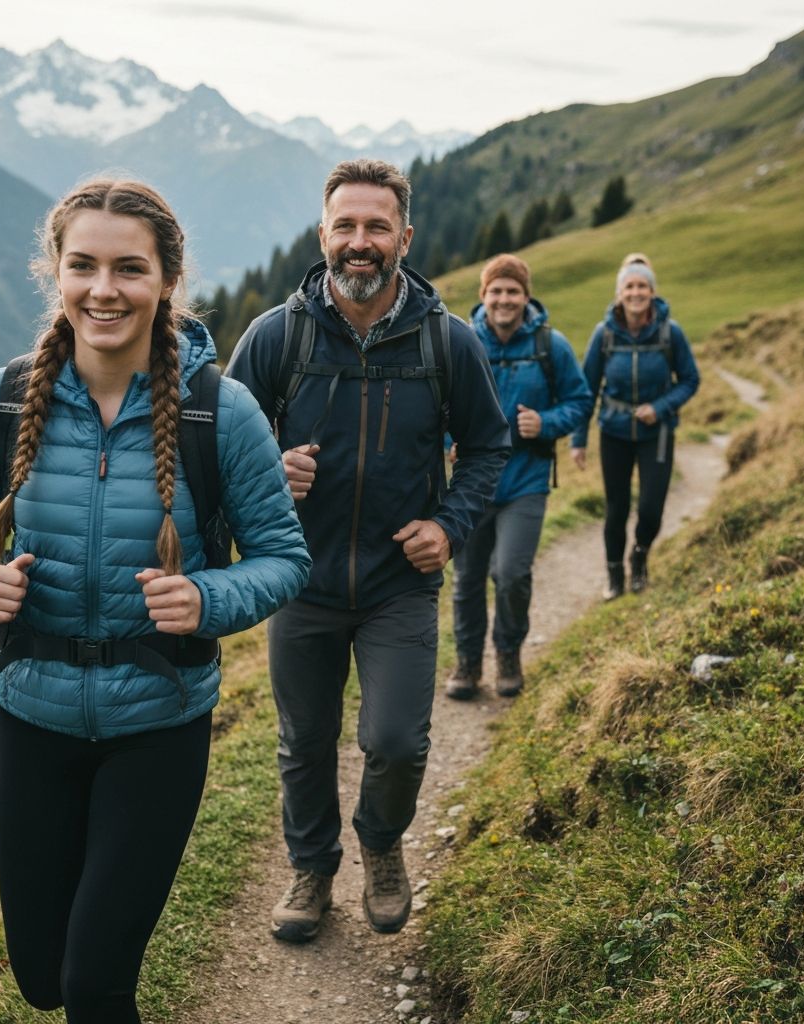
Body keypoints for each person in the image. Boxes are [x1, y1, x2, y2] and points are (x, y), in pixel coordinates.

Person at [0, 179, 311, 1023]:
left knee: (94, 985)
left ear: (167, 279)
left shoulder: (221, 412)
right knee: (39, 978)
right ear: (54, 274)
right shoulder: (1, 400)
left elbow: (284, 559)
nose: (105, 290)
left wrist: (206, 599)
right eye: (84, 266)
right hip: (30, 717)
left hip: (159, 726)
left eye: (129, 268)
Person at [226, 158, 509, 943]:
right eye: (345, 226)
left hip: (398, 586)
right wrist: (266, 471)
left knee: (395, 740)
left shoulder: (446, 343)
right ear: (323, 235)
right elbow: (219, 447)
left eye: (376, 227)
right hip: (299, 581)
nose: (360, 242)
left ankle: (381, 847)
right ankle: (312, 869)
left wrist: (448, 526)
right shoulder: (275, 338)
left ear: (404, 238)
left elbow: (487, 448)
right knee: (304, 741)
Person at [444, 254, 593, 700]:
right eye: (496, 291)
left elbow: (580, 400)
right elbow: (436, 404)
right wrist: (448, 439)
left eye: (513, 291)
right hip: (471, 485)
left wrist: (545, 424)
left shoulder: (551, 345)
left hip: (525, 482)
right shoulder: (463, 342)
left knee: (510, 573)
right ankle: (468, 664)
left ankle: (508, 653)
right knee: (467, 579)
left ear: (526, 297)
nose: (504, 299)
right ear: (483, 296)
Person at [570, 254, 699, 599]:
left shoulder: (671, 333)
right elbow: (587, 388)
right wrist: (578, 440)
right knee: (617, 508)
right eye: (630, 286)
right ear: (619, 293)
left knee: (651, 507)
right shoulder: (605, 335)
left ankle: (639, 556)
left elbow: (690, 379)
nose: (636, 292)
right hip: (613, 431)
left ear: (653, 292)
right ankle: (614, 576)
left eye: (642, 285)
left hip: (657, 433)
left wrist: (660, 407)